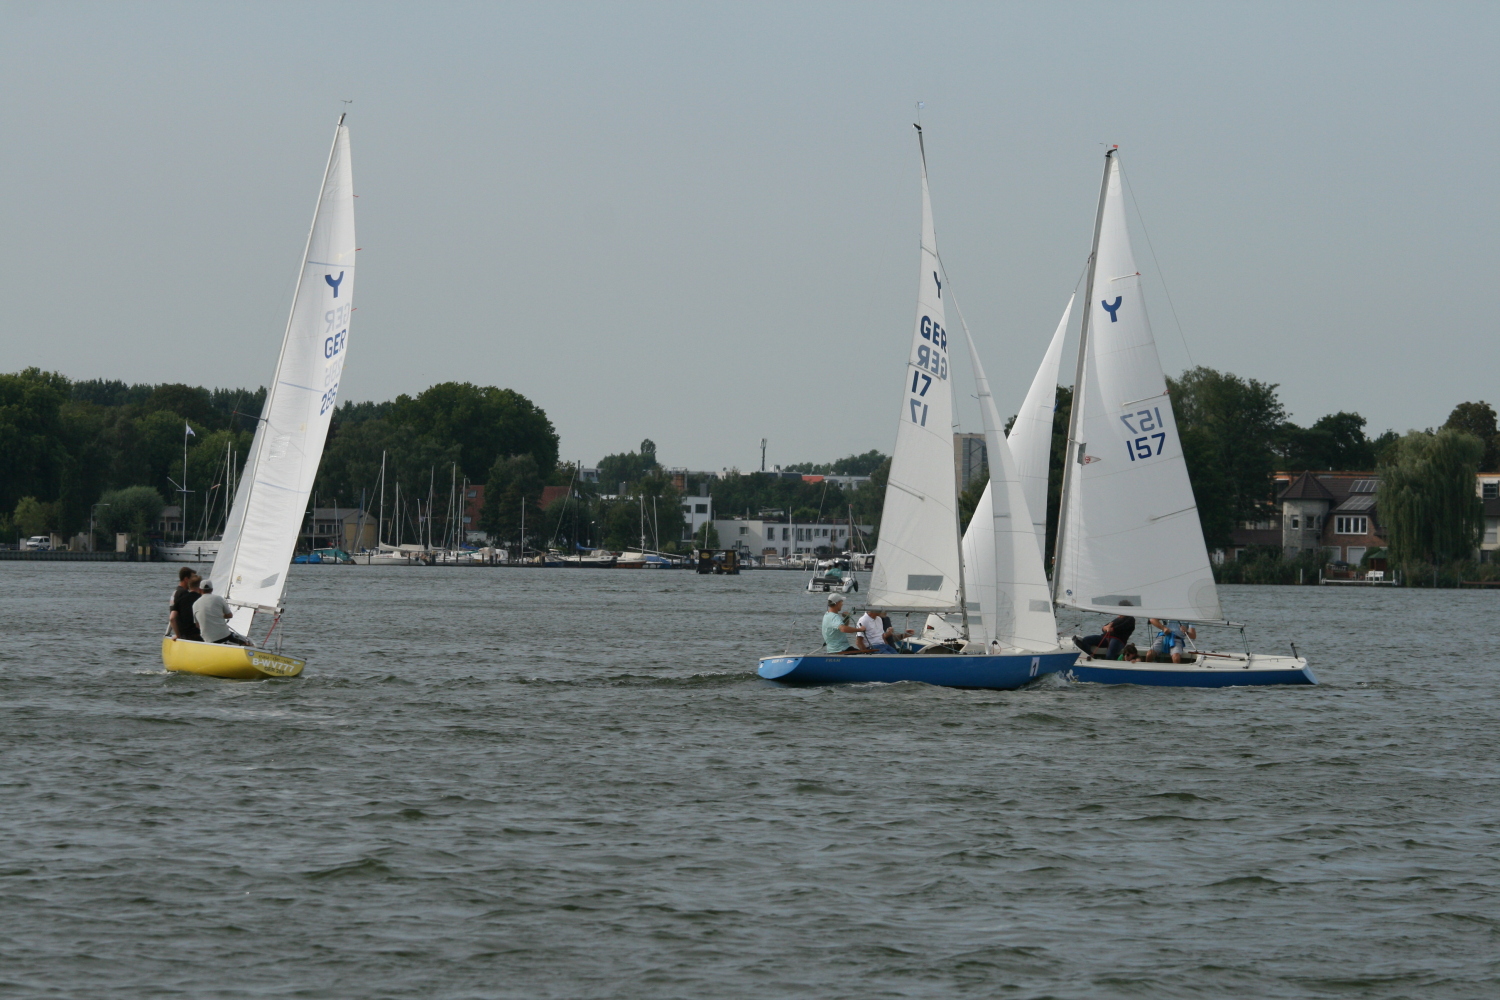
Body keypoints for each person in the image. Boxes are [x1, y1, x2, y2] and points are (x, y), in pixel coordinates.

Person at [193, 580, 251, 646]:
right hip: (224, 636)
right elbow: (229, 615)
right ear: (212, 589)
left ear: (200, 590)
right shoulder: (219, 599)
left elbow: (197, 625)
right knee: (246, 643)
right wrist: (218, 615)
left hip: (208, 639)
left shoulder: (195, 604)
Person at [169, 571, 204, 642]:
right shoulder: (202, 599)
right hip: (199, 636)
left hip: (184, 637)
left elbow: (172, 618)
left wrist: (178, 635)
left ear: (189, 585)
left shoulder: (180, 598)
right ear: (200, 587)